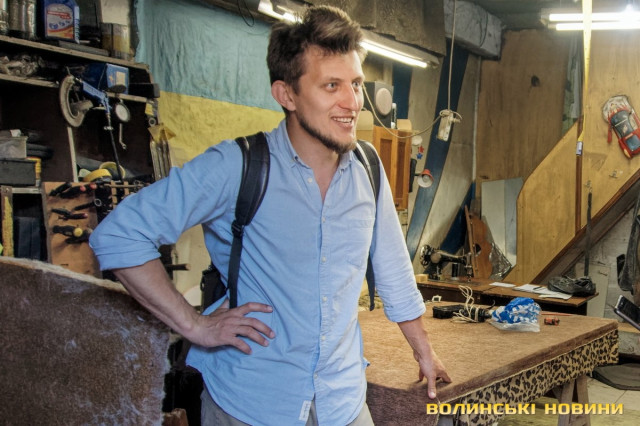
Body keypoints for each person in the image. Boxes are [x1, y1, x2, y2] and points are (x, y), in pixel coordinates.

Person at [89, 5, 450, 425]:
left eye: (355, 84)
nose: (352, 102)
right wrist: (195, 326)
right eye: (331, 85)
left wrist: (424, 351)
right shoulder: (237, 166)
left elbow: (393, 268)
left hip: (342, 399)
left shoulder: (367, 168)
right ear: (286, 95)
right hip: (252, 403)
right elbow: (119, 235)